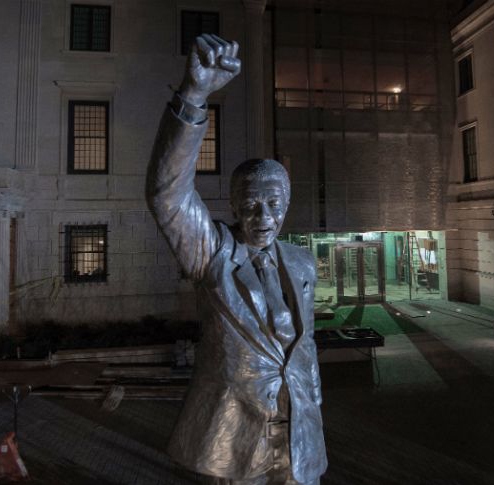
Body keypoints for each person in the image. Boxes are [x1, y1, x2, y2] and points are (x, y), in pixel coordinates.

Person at [146, 34, 327, 485]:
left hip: (298, 442)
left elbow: (304, 349)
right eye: (251, 204)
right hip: (232, 438)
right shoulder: (213, 255)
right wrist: (194, 96)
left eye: (274, 203)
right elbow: (167, 196)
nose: (263, 217)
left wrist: (313, 405)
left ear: (287, 204)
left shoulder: (302, 263)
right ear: (233, 206)